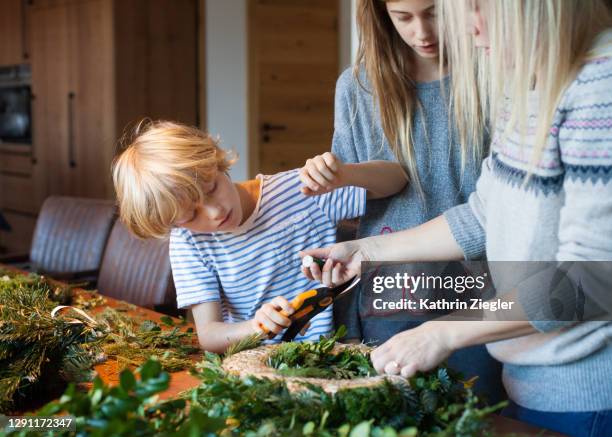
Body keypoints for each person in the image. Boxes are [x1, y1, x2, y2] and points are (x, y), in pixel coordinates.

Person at [302, 0, 612, 435]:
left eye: (476, 8)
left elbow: (592, 280)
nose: (466, 28)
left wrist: (443, 333)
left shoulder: (601, 85)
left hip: (588, 394)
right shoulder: (523, 83)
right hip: (529, 381)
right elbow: (482, 215)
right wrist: (365, 250)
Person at [318, 0, 504, 403]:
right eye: (403, 17)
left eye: (434, 12)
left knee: (478, 415)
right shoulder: (357, 87)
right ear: (382, 16)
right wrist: (333, 178)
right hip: (392, 291)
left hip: (481, 293)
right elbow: (349, 206)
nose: (422, 32)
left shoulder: (494, 73)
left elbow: (495, 210)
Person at [111, 120, 407, 354]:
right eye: (191, 216)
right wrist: (254, 327)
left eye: (212, 188)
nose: (213, 212)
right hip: (254, 365)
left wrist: (346, 174)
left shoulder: (299, 192)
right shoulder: (189, 242)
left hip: (331, 353)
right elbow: (209, 334)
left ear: (215, 162)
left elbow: (397, 180)